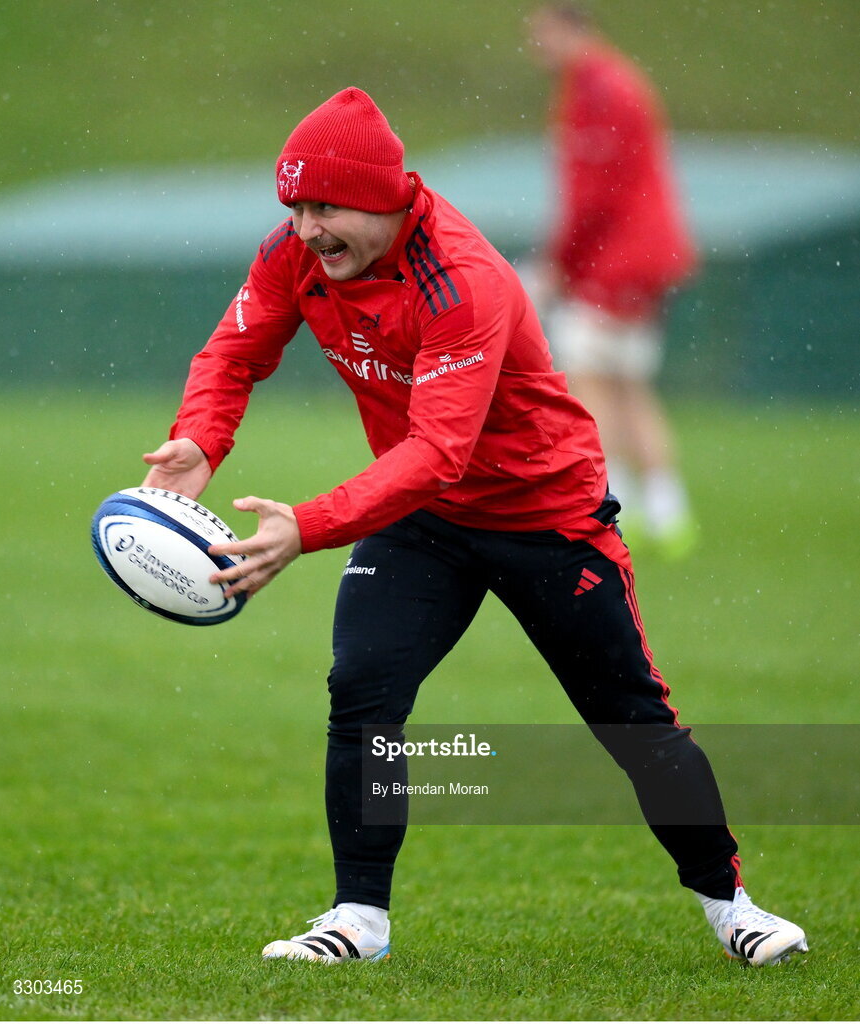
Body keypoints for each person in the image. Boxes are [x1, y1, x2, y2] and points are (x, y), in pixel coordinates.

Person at [141, 87, 807, 966]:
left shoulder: (461, 278)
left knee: (630, 720)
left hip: (545, 517)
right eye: (294, 207)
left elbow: (437, 450)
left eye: (325, 206)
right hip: (420, 521)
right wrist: (197, 441)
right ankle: (357, 920)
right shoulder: (291, 256)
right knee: (363, 692)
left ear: (385, 196)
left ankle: (732, 906)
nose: (306, 227)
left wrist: (308, 525)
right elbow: (233, 353)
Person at [529, 4, 699, 556]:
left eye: (544, 33)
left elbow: (592, 193)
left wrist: (558, 263)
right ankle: (668, 512)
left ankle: (610, 503)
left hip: (616, 258)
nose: (538, 47)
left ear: (571, 28)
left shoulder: (598, 88)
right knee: (628, 382)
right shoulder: (619, 81)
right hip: (644, 256)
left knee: (588, 379)